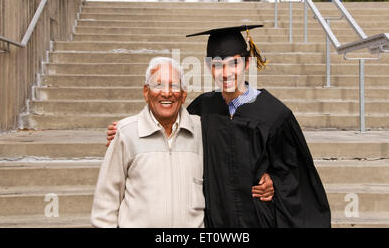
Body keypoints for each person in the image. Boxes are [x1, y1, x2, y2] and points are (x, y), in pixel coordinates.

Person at [108, 25, 331, 228]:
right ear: (208, 67)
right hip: (214, 220)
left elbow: (295, 172)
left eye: (234, 63)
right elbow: (167, 125)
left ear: (247, 63)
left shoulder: (274, 114)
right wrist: (128, 131)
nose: (226, 73)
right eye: (217, 65)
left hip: (258, 220)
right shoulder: (202, 108)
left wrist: (275, 180)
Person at [91, 57, 205, 227]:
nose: (166, 93)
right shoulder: (126, 133)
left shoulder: (202, 131)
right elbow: (106, 201)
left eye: (174, 85)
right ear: (146, 92)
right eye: (158, 85)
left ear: (183, 94)